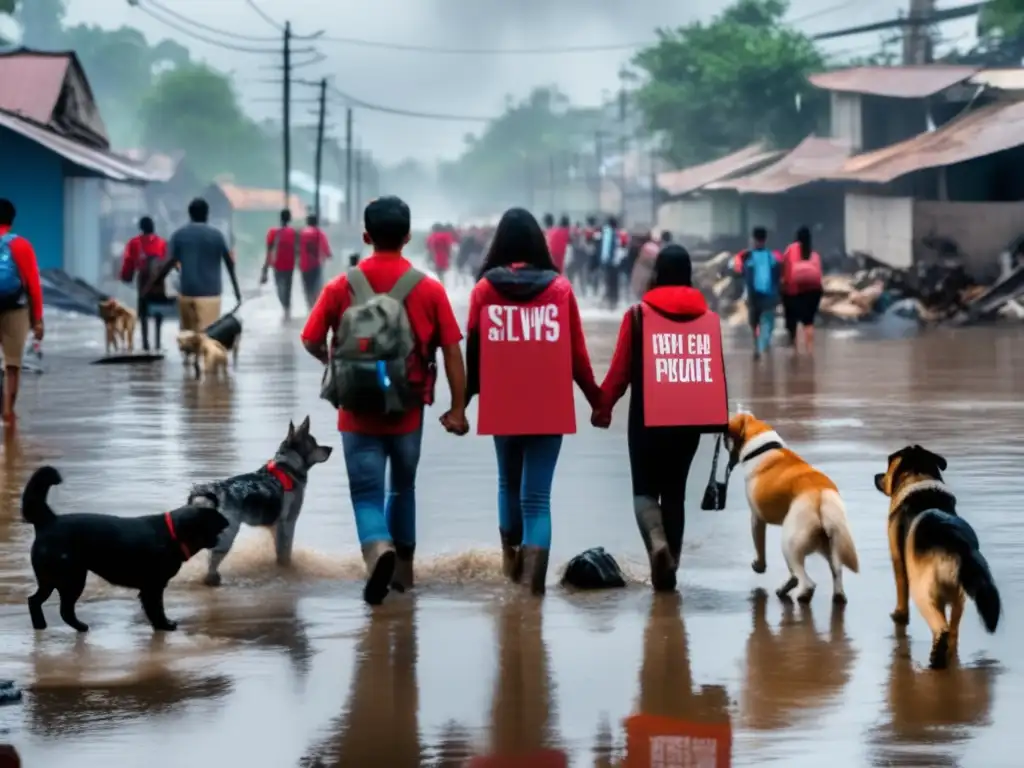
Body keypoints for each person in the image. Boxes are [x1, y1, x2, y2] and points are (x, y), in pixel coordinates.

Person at [301, 196, 467, 606]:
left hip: (356, 412)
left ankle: (378, 550)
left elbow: (308, 337)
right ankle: (405, 577)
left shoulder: (342, 285)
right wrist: (459, 408)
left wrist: (334, 360)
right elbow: (451, 352)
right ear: (409, 237)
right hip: (408, 409)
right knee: (403, 488)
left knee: (366, 495)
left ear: (366, 236)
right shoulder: (428, 288)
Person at [465, 207, 600, 595]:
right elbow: (577, 353)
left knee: (507, 485)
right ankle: (533, 590)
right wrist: (597, 401)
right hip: (549, 403)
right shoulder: (559, 289)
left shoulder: (484, 289)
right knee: (538, 498)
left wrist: (464, 400)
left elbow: (472, 348)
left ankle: (511, 570)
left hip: (501, 400)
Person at [593, 244, 727, 591]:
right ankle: (670, 574)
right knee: (675, 494)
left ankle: (656, 543)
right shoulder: (707, 318)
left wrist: (603, 406)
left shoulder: (638, 316)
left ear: (657, 275)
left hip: (647, 421)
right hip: (689, 422)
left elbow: (620, 372)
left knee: (644, 491)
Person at [146, 198, 242, 332]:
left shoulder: (179, 235)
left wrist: (154, 283)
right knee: (208, 338)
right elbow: (229, 264)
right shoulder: (217, 236)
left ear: (189, 214)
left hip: (187, 294)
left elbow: (168, 263)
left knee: (189, 339)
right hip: (211, 296)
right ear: (207, 214)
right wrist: (237, 291)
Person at [0, 198, 43, 426]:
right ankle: (8, 413)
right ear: (12, 220)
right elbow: (33, 286)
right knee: (12, 365)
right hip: (15, 310)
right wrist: (38, 320)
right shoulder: (20, 245)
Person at [120, 216, 171, 351]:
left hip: (143, 282)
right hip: (159, 282)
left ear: (141, 228)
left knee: (143, 312)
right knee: (158, 312)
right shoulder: (162, 243)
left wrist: (126, 277)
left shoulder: (134, 243)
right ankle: (158, 343)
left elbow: (128, 261)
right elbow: (168, 262)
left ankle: (145, 344)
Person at [782, 226, 824, 354]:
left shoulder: (790, 250)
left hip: (796, 291)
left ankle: (795, 350)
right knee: (809, 322)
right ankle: (810, 351)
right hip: (814, 291)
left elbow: (786, 271)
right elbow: (819, 275)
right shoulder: (815, 255)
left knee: (793, 321)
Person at [742, 226, 782, 359]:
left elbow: (747, 277)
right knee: (768, 321)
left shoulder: (749, 256)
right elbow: (777, 275)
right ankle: (764, 344)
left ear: (753, 239)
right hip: (769, 295)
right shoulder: (772, 256)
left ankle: (757, 346)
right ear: (765, 240)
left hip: (754, 295)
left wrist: (747, 295)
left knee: (755, 322)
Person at [263, 209, 299, 319]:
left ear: (280, 218)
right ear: (290, 219)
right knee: (287, 290)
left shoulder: (273, 232)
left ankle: (286, 311)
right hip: (289, 266)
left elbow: (269, 252)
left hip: (277, 266)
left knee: (280, 289)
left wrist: (264, 270)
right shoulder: (294, 233)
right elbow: (298, 251)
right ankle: (287, 312)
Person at [299, 213, 332, 311]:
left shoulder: (302, 233)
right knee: (316, 287)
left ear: (307, 222)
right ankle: (315, 307)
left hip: (304, 266)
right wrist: (328, 255)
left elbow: (297, 249)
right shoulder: (319, 233)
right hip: (315, 265)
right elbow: (325, 248)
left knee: (307, 287)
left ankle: (309, 306)